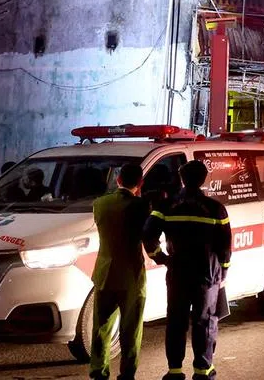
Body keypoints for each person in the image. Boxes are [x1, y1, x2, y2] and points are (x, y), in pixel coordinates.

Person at [144, 160, 232, 380]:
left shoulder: (165, 207)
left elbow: (148, 235)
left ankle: (174, 371)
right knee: (205, 321)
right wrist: (223, 272)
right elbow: (225, 246)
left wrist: (162, 258)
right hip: (206, 274)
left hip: (177, 272)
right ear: (204, 180)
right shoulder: (216, 208)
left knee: (176, 321)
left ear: (182, 178)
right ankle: (202, 371)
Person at [89, 163, 151, 380]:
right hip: (131, 276)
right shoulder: (141, 206)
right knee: (131, 329)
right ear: (140, 183)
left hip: (104, 272)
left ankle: (98, 370)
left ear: (118, 180)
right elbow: (147, 237)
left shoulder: (100, 204)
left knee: (101, 326)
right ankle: (127, 373)